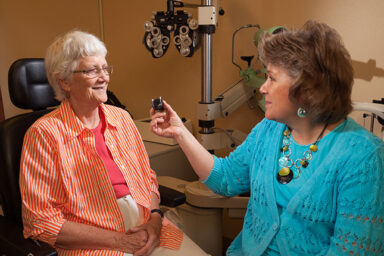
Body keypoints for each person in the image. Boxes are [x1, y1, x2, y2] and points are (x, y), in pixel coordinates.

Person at [150, 20, 384, 255]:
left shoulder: (363, 157)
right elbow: (226, 178)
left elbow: (351, 251)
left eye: (271, 78)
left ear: (306, 91)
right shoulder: (269, 129)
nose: (262, 87)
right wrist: (180, 133)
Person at [19, 30, 208, 256]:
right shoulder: (43, 135)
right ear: (64, 81)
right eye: (91, 70)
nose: (104, 77)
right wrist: (120, 241)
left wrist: (155, 221)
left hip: (147, 228)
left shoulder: (122, 118)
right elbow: (41, 221)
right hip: (93, 243)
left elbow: (146, 179)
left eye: (105, 68)